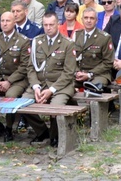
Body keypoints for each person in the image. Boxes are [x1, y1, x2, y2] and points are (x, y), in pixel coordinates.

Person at [21, 13, 77, 147]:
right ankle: (42, 131)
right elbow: (30, 67)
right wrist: (35, 86)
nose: (48, 28)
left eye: (51, 24)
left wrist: (51, 90)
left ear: (58, 24)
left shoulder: (67, 44)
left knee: (56, 108)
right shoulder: (37, 41)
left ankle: (55, 135)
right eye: (45, 25)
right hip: (40, 84)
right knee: (22, 104)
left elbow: (68, 73)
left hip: (60, 85)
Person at [0, 11, 30, 142]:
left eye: (8, 21)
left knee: (11, 96)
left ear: (14, 22)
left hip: (16, 79)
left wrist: (9, 81)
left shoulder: (23, 40)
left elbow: (24, 66)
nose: (4, 23)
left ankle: (9, 128)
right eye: (2, 21)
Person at [73, 9, 114, 90]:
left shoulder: (104, 37)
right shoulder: (77, 34)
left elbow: (108, 62)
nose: (88, 21)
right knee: (64, 85)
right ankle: (72, 103)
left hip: (99, 74)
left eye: (92, 18)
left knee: (93, 88)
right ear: (82, 20)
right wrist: (77, 72)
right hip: (80, 73)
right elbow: (71, 58)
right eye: (86, 18)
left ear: (96, 20)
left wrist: (89, 74)